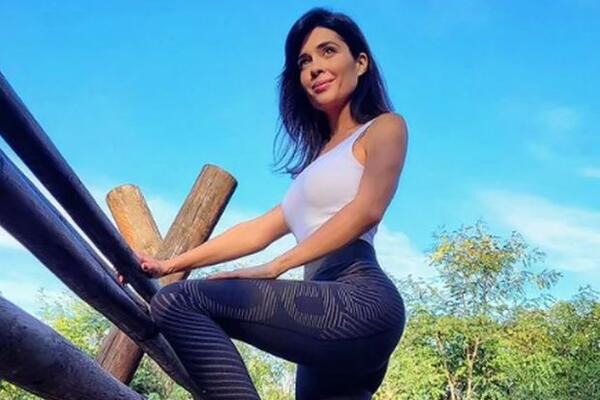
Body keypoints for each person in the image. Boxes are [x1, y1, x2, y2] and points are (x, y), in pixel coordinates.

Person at [119, 7, 408, 399]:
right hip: (321, 310)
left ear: (360, 63)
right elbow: (256, 231)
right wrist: (168, 264)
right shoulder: (316, 165)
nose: (314, 68)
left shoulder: (384, 127)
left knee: (177, 302)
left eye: (328, 51)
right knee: (177, 292)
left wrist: (275, 266)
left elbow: (366, 209)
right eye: (304, 62)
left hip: (358, 298)